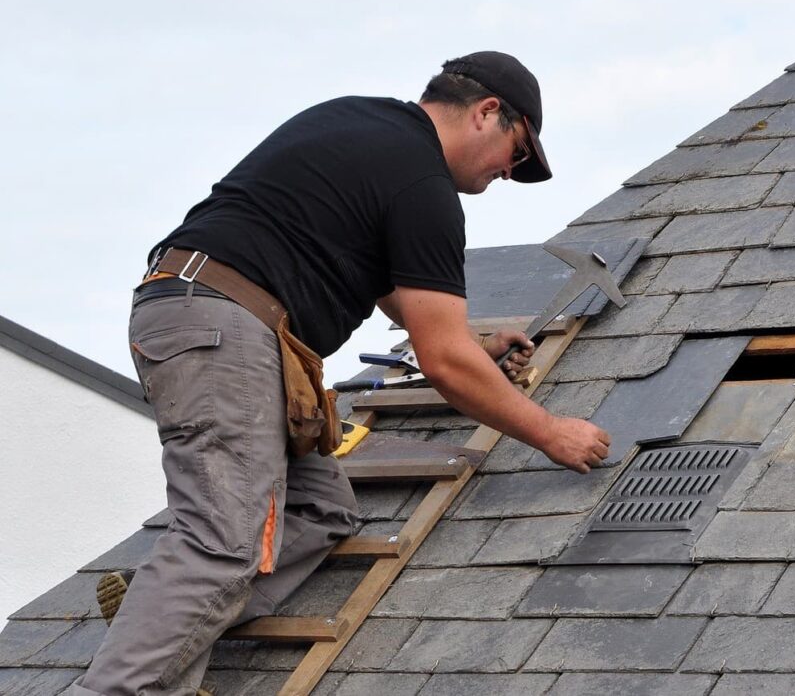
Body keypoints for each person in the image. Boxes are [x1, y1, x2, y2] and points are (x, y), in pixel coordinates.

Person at [70, 51, 611, 695]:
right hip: (227, 327)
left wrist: (477, 343)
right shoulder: (423, 185)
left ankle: (156, 612)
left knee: (321, 509)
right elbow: (442, 362)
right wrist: (551, 433)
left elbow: (405, 302)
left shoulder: (359, 124)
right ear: (489, 113)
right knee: (223, 542)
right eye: (515, 155)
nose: (505, 174)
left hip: (208, 317)